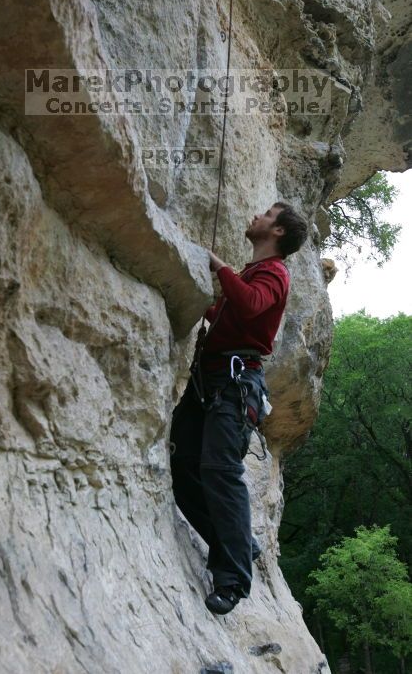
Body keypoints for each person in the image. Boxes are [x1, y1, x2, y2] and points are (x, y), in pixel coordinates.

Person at [169, 201, 308, 615]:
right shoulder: (253, 274)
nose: (256, 217)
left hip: (235, 383)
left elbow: (248, 305)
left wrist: (219, 267)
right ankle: (239, 545)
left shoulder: (274, 273)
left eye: (266, 214)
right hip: (212, 381)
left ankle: (232, 581)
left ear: (278, 231)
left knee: (221, 470)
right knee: (183, 466)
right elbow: (230, 314)